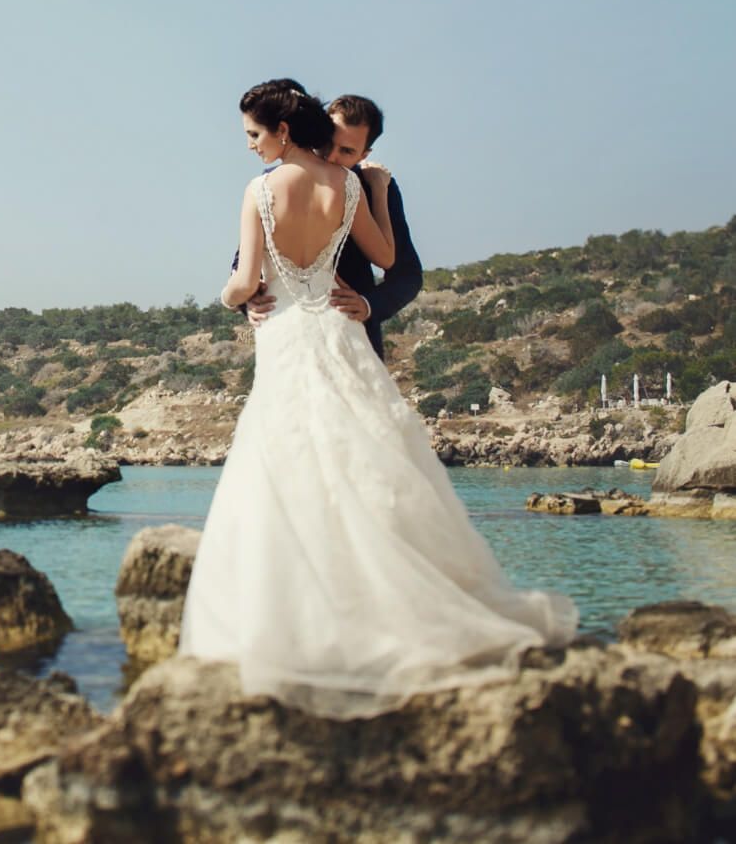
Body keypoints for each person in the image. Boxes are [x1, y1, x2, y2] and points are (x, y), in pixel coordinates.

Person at [180, 80, 577, 719]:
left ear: (281, 132)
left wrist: (235, 294)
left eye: (254, 134)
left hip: (294, 335)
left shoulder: (262, 189)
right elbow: (383, 251)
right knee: (366, 461)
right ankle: (370, 605)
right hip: (339, 339)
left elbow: (258, 277)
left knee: (284, 467)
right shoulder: (346, 187)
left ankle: (302, 623)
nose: (250, 146)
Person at [235, 89, 422, 359]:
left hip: (354, 341)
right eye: (326, 144)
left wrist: (368, 305)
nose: (331, 157)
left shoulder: (376, 188)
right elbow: (241, 261)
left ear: (364, 154)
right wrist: (248, 301)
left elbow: (407, 274)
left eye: (346, 151)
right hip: (291, 338)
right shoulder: (271, 183)